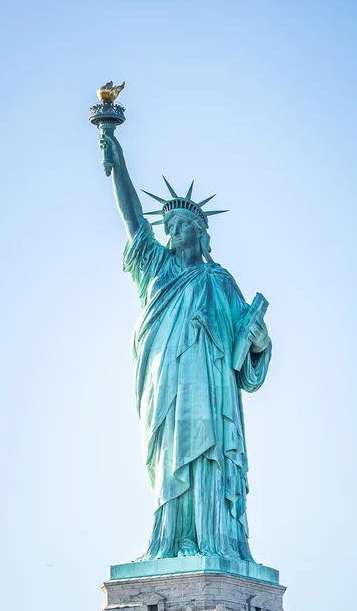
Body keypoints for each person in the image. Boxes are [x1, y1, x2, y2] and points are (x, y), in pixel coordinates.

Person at [98, 124, 271, 562]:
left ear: (200, 232)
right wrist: (117, 159)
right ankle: (172, 539)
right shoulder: (156, 268)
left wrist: (258, 340)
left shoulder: (220, 281)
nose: (173, 231)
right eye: (169, 225)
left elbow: (247, 357)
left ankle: (213, 538)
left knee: (209, 457)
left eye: (182, 225)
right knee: (170, 456)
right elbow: (133, 219)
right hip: (166, 383)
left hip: (211, 389)